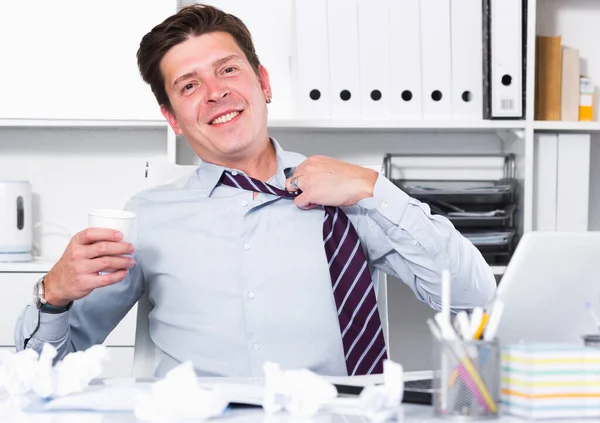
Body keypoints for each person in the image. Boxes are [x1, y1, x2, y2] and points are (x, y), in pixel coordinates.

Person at [15, 4, 495, 377]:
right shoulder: (146, 218)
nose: (215, 92)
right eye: (188, 85)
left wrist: (375, 188)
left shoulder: (353, 198)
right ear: (172, 119)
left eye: (228, 70)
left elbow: (473, 298)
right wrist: (51, 293)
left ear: (263, 82)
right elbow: (45, 371)